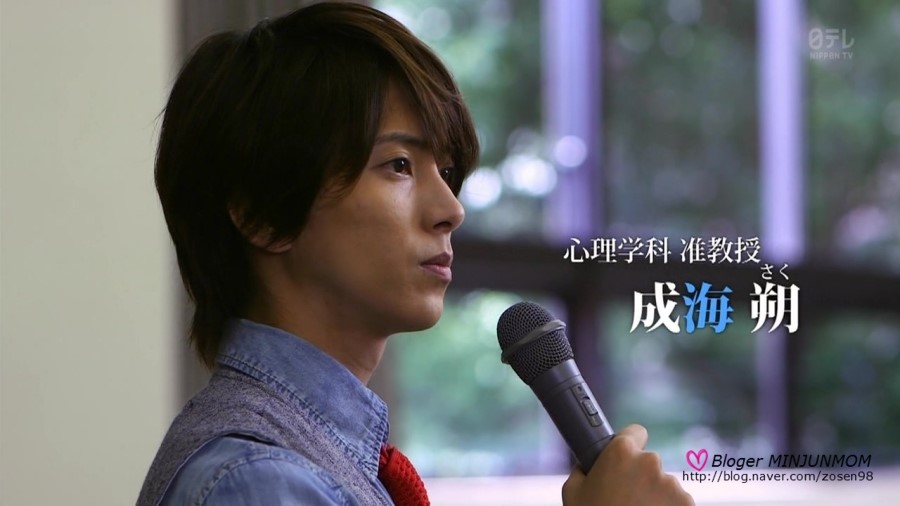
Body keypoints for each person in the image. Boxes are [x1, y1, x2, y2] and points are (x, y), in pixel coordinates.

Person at [137, 2, 694, 505]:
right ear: (261, 213)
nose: (451, 208)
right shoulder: (259, 480)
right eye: (398, 165)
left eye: (447, 172)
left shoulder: (318, 458)